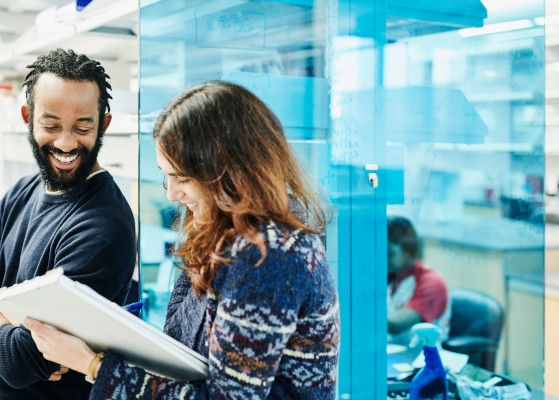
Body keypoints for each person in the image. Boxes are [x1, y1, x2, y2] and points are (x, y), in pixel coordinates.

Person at [25, 80, 340, 399]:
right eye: (167, 175)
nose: (173, 193)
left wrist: (93, 365)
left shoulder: (269, 255)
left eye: (183, 178)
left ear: (232, 172)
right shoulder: (226, 232)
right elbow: (183, 346)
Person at [0, 48, 136, 399]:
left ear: (104, 124)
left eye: (83, 127)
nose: (66, 143)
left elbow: (17, 362)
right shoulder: (21, 192)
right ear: (27, 117)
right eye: (51, 125)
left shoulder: (102, 227)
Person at [387, 215, 449, 346]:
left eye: (389, 253)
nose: (383, 259)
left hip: (423, 359)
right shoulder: (392, 276)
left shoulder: (431, 282)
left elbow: (396, 325)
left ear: (408, 249)